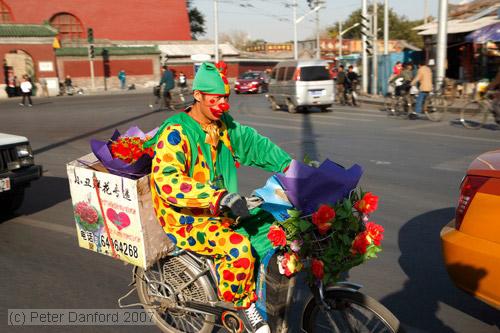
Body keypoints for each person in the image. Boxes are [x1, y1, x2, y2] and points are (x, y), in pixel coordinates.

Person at [146, 61, 291, 333]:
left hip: (221, 209)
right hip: (187, 219)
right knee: (237, 247)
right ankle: (242, 304)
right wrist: (218, 197)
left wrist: (290, 166)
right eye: (216, 98)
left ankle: (260, 290)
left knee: (275, 228)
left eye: (226, 97)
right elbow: (167, 181)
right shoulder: (175, 132)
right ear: (198, 95)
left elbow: (252, 143)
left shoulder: (222, 125)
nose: (223, 104)